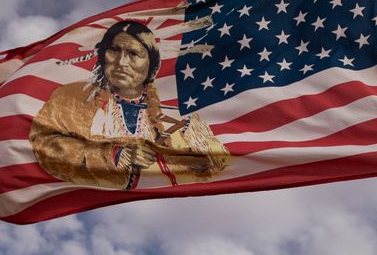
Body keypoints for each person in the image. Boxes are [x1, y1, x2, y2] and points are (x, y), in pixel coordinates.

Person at [29, 20, 228, 190]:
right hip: (96, 213)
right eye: (114, 50)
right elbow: (45, 142)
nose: (121, 62)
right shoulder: (74, 98)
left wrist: (191, 153)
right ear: (103, 55)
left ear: (151, 65)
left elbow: (219, 164)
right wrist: (114, 156)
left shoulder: (180, 117)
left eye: (133, 53)